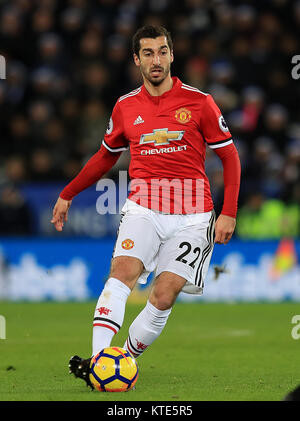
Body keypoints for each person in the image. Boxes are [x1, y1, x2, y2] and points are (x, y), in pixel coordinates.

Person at [51, 25, 241, 389]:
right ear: (136, 59)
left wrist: (229, 210)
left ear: (172, 55)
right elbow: (104, 157)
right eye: (149, 53)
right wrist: (68, 192)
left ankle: (120, 360)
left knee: (164, 294)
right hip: (143, 209)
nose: (157, 60)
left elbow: (229, 157)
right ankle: (97, 364)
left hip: (193, 216)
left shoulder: (200, 102)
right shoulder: (125, 106)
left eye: (163, 51)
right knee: (120, 274)